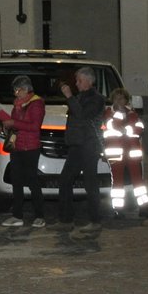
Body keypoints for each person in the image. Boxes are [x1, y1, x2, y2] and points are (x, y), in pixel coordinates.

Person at [56, 66, 107, 240]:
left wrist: (69, 97)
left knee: (90, 183)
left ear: (88, 81)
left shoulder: (97, 99)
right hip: (77, 145)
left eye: (78, 80)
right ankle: (66, 219)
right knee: (65, 180)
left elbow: (82, 115)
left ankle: (95, 220)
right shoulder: (80, 97)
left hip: (89, 146)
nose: (76, 84)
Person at [0, 75, 47, 231]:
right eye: (15, 91)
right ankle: (17, 215)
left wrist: (13, 123)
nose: (15, 94)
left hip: (30, 148)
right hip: (17, 146)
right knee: (16, 181)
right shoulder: (18, 105)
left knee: (32, 181)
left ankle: (40, 216)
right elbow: (18, 124)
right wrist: (6, 124)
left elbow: (34, 126)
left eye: (17, 90)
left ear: (25, 89)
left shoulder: (36, 104)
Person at [103, 88, 148, 219]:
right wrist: (125, 125)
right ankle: (118, 210)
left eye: (122, 98)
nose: (120, 101)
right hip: (116, 153)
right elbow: (111, 125)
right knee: (118, 183)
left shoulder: (132, 113)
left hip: (132, 152)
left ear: (126, 100)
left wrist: (125, 129)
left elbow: (140, 128)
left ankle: (144, 208)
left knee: (138, 182)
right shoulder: (109, 113)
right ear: (112, 100)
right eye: (117, 98)